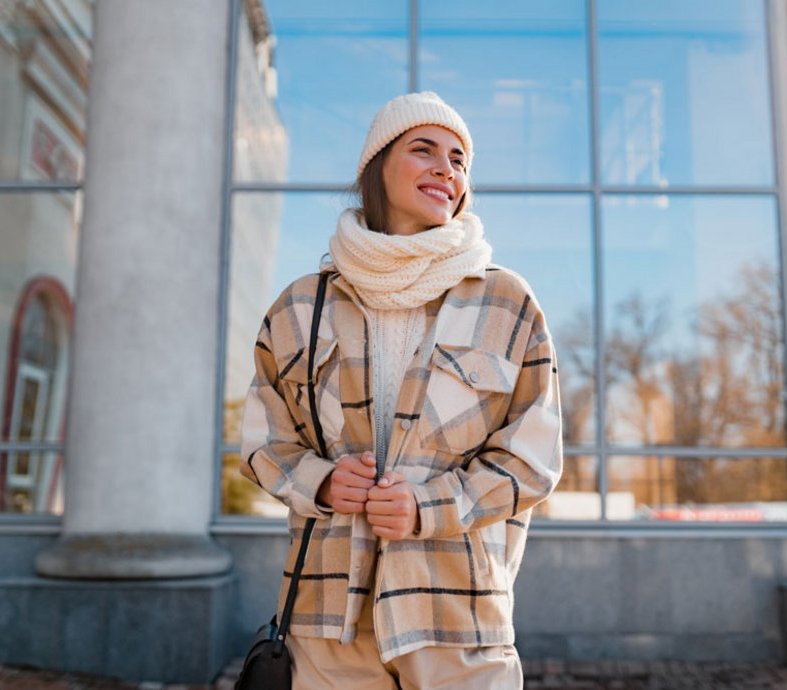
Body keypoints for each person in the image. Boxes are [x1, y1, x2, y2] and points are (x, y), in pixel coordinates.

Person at [240, 92, 563, 690]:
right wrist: (324, 482)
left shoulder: (507, 303)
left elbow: (533, 462)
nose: (447, 169)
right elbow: (263, 443)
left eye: (460, 160)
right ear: (377, 167)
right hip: (326, 625)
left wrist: (427, 506)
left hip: (459, 622)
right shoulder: (298, 307)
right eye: (424, 150)